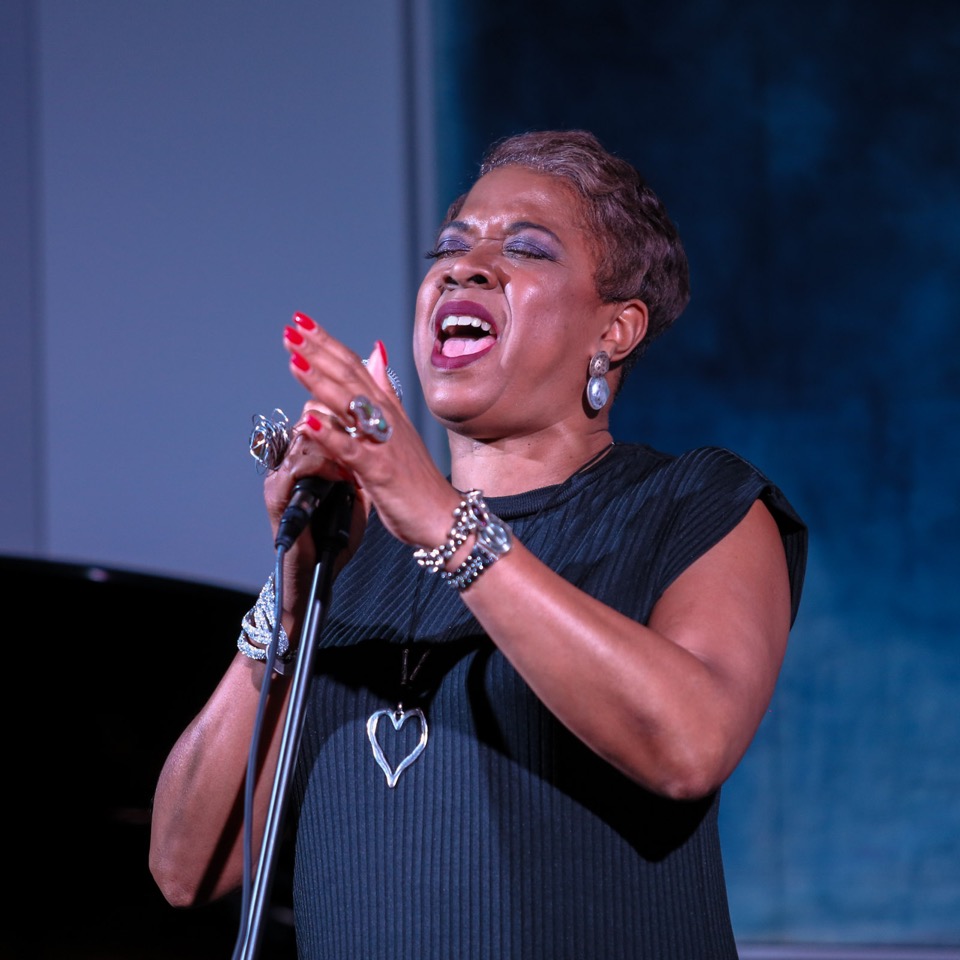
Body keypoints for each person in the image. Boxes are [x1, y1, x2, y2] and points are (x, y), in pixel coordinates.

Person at [149, 129, 807, 959]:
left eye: (526, 250)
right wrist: (290, 597)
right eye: (451, 248)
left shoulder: (692, 504)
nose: (466, 268)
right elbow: (185, 868)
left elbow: (689, 745)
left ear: (616, 330)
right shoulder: (355, 549)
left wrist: (439, 519)